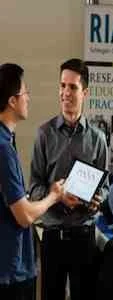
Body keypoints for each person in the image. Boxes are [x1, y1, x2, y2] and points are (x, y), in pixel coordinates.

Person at [29, 59, 109, 300]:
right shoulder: (44, 134)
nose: (65, 93)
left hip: (84, 237)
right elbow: (33, 188)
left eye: (72, 87)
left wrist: (97, 200)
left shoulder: (98, 139)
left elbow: (104, 188)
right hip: (52, 236)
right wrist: (56, 194)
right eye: (62, 86)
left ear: (85, 92)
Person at [0, 63, 65, 300]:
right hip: (10, 270)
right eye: (25, 92)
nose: (29, 98)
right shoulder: (4, 149)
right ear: (12, 101)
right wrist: (53, 196)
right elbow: (24, 215)